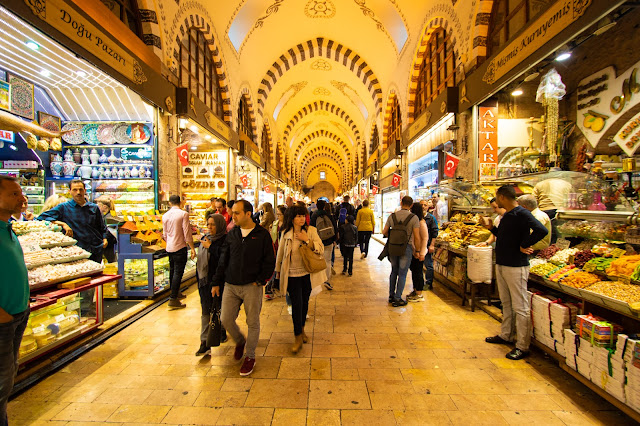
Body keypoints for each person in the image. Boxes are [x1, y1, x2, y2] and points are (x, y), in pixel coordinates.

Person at [483, 185, 548, 360]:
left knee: (520, 306)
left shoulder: (522, 213)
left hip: (516, 266)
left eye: (497, 197)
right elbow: (503, 237)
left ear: (502, 197)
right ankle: (506, 335)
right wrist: (490, 228)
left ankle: (522, 346)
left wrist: (525, 244)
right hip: (503, 263)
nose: (496, 200)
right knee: (506, 302)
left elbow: (542, 230)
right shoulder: (507, 216)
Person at [213, 200, 275, 376]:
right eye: (232, 212)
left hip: (251, 286)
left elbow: (270, 260)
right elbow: (223, 259)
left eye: (237, 213)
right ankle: (240, 340)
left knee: (252, 322)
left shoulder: (262, 235)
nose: (233, 216)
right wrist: (216, 282)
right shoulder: (232, 234)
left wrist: (261, 280)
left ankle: (250, 356)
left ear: (248, 214)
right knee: (225, 319)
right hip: (231, 284)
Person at [275, 204, 326, 353]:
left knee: (304, 303)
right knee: (296, 305)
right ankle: (297, 336)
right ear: (292, 218)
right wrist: (278, 272)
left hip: (307, 274)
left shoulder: (311, 231)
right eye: (298, 216)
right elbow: (280, 253)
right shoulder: (285, 233)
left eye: (303, 216)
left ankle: (302, 329)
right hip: (291, 275)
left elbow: (320, 248)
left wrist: (307, 240)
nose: (302, 218)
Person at [0, 177, 30, 426]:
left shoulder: (8, 227)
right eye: (13, 194)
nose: (22, 199)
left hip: (17, 315)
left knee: (7, 380)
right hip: (3, 319)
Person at [37, 180, 107, 263]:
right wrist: (63, 224)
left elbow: (101, 226)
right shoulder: (64, 207)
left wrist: (105, 238)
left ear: (85, 191)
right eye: (75, 190)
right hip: (77, 251)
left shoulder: (94, 208)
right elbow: (42, 217)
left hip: (95, 249)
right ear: (69, 191)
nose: (78, 192)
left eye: (81, 189)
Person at [195, 214, 227, 356]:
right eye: (208, 224)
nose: (209, 227)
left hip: (219, 282)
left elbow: (223, 259)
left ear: (220, 225)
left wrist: (211, 247)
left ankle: (221, 330)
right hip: (204, 282)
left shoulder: (225, 240)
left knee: (220, 309)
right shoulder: (205, 238)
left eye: (213, 224)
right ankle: (204, 342)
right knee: (205, 311)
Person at [382, 196, 420, 307]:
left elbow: (384, 232)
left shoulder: (392, 216)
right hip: (406, 247)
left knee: (394, 271)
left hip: (393, 247)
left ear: (401, 202)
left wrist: (394, 237)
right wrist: (417, 250)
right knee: (403, 273)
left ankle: (391, 295)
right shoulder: (414, 218)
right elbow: (416, 237)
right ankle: (398, 298)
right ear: (411, 205)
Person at [162, 195, 196, 310]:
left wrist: (169, 242)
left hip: (169, 247)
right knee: (178, 272)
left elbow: (164, 234)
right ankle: (173, 299)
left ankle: (175, 293)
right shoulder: (183, 214)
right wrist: (191, 247)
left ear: (170, 203)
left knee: (172, 271)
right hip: (179, 247)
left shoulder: (165, 215)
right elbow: (187, 232)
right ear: (180, 202)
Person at [532, 177, 572, 244]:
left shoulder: (540, 184)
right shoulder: (567, 184)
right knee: (562, 232)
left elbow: (534, 200)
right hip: (562, 211)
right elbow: (571, 198)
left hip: (546, 210)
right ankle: (562, 249)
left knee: (550, 234)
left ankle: (551, 249)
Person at [310, 199, 337, 291]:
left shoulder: (314, 215)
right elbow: (334, 227)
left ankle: (317, 281)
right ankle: (327, 280)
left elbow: (311, 228)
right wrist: (334, 240)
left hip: (318, 241)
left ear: (317, 206)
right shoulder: (329, 215)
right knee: (328, 261)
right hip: (328, 240)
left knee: (318, 260)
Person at [407, 203, 429, 302]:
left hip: (419, 252)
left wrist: (421, 252)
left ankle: (419, 294)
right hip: (414, 251)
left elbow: (425, 238)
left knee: (418, 272)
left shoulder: (421, 223)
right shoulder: (415, 222)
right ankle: (415, 291)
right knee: (414, 271)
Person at [265, 205, 287, 301]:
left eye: (279, 214)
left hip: (283, 250)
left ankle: (278, 287)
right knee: (275, 268)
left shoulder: (287, 225)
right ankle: (270, 288)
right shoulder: (275, 224)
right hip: (274, 248)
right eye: (277, 214)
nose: (278, 216)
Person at [419, 199, 438, 291]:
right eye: (421, 205)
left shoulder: (431, 218)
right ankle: (420, 283)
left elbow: (435, 232)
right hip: (418, 246)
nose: (423, 206)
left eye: (425, 205)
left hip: (427, 245)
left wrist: (432, 245)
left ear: (428, 207)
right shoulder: (416, 217)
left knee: (428, 265)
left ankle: (429, 283)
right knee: (418, 265)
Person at [96, 199, 118, 263]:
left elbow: (108, 231)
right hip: (109, 242)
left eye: (99, 206)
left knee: (110, 260)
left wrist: (103, 237)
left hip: (108, 243)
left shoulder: (108, 218)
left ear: (104, 207)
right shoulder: (106, 215)